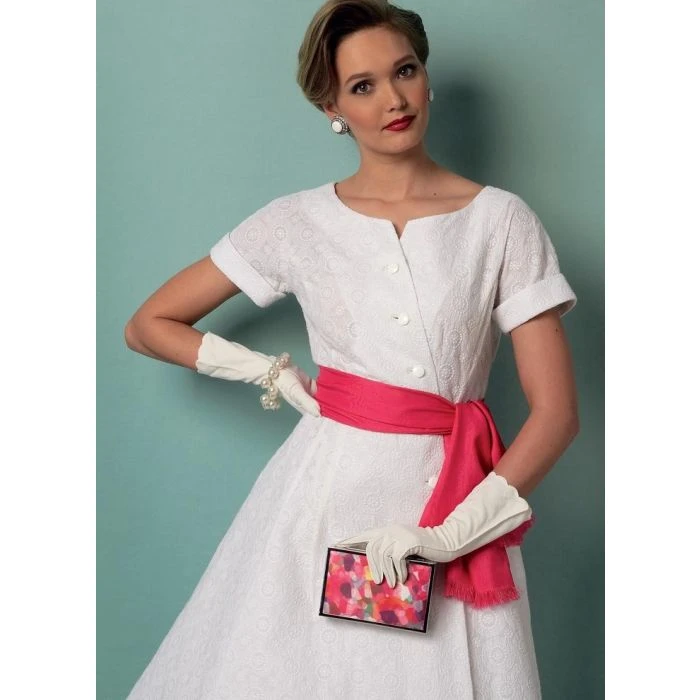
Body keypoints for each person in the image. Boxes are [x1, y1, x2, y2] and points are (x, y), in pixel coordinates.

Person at [123, 0, 579, 697]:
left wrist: (451, 536)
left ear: (426, 77)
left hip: (455, 503)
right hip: (327, 499)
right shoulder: (297, 222)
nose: (393, 99)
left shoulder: (501, 221)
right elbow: (149, 324)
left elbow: (556, 415)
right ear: (331, 106)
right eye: (363, 86)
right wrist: (267, 371)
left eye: (405, 71)